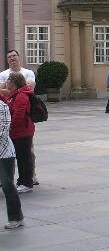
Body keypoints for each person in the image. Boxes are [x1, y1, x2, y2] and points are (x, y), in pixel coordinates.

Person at [0, 50, 38, 185]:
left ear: (19, 57)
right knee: (17, 153)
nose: (11, 58)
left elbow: (28, 87)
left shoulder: (27, 75)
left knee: (25, 153)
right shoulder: (4, 75)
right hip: (15, 128)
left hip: (21, 128)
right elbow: (3, 93)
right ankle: (21, 179)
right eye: (9, 56)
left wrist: (10, 127)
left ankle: (29, 178)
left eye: (14, 56)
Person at [2, 72, 35, 193]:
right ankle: (22, 181)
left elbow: (18, 116)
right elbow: (8, 106)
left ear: (15, 82)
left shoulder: (21, 96)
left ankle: (26, 183)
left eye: (9, 79)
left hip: (22, 131)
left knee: (24, 157)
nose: (7, 81)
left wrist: (9, 127)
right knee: (22, 156)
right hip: (18, 131)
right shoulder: (14, 94)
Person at [0, 97, 24, 228]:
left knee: (7, 185)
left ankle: (16, 218)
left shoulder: (2, 106)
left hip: (4, 153)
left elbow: (3, 130)